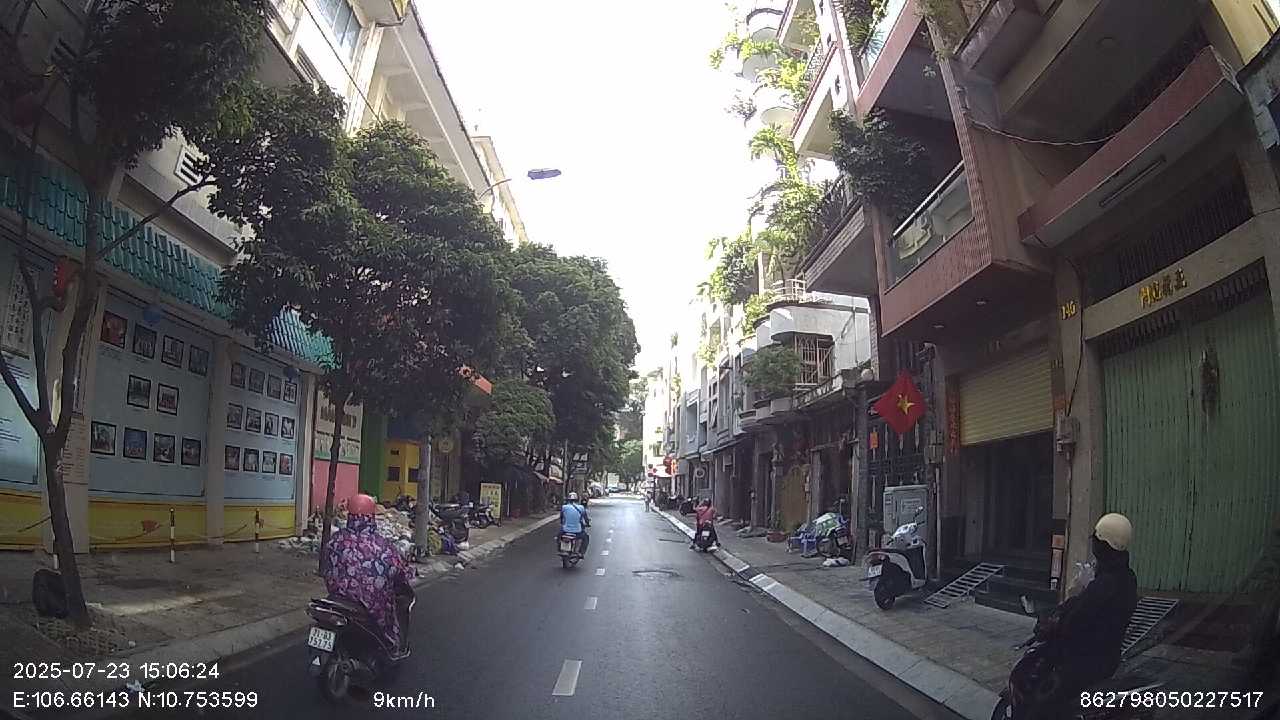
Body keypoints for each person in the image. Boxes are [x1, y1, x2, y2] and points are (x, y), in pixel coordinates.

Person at [1040, 513, 1138, 715]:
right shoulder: (1127, 577)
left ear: (1104, 545)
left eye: (1096, 540)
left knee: (1045, 704)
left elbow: (1073, 621)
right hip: (1109, 656)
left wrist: (1074, 595)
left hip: (1085, 661)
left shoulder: (1104, 584)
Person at [324, 494, 416, 658]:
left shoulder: (335, 540)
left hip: (337, 599)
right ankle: (392, 648)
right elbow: (399, 571)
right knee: (388, 617)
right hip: (369, 606)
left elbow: (327, 569)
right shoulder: (382, 546)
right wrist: (408, 572)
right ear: (371, 517)